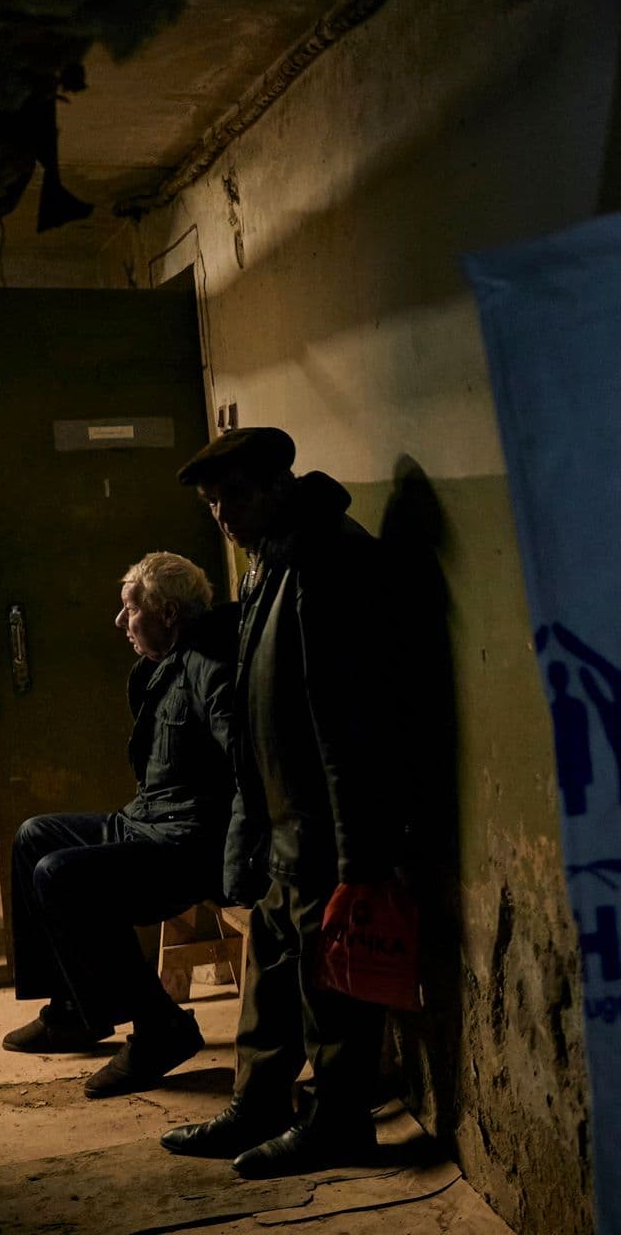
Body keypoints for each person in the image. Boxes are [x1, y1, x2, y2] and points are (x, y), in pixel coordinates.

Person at [159, 427, 399, 1178]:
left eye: (233, 495)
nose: (223, 514)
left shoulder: (324, 560)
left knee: (328, 985)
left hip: (321, 824)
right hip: (282, 822)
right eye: (212, 502)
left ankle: (338, 1121)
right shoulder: (272, 560)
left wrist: (357, 857)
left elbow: (346, 718)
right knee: (270, 972)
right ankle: (259, 1104)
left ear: (276, 485)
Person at [4, 552, 239, 1097]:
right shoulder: (164, 662)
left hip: (186, 846)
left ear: (169, 613)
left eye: (129, 608)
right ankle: (74, 1010)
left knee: (60, 874)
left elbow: (249, 765)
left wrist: (243, 856)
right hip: (145, 823)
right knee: (33, 835)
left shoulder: (209, 668)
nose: (119, 621)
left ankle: (161, 1027)